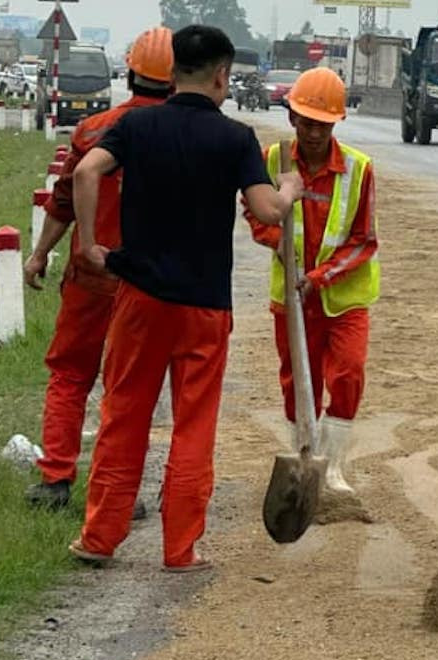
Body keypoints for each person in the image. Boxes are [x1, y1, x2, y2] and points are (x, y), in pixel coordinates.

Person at [68, 25, 304, 571]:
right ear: (222, 74)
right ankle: (181, 549)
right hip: (203, 306)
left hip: (139, 298)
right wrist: (289, 188)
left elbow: (85, 171)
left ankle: (99, 538)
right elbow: (268, 211)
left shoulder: (137, 126)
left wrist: (88, 246)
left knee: (123, 416)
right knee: (193, 426)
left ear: (172, 72)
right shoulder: (235, 139)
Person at [23, 26, 175, 516]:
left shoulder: (94, 131)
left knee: (70, 374)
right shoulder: (182, 137)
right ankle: (117, 490)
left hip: (90, 279)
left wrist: (39, 253)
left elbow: (63, 201)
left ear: (128, 72)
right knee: (128, 388)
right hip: (149, 285)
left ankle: (55, 479)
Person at [243, 67, 379, 495]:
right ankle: (302, 458)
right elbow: (254, 212)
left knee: (348, 374)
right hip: (291, 296)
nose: (315, 133)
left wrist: (319, 276)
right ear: (291, 119)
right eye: (307, 123)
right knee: (296, 379)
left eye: (323, 125)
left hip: (343, 296)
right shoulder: (272, 160)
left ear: (336, 123)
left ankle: (332, 466)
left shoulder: (359, 168)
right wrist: (277, 243)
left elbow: (364, 240)